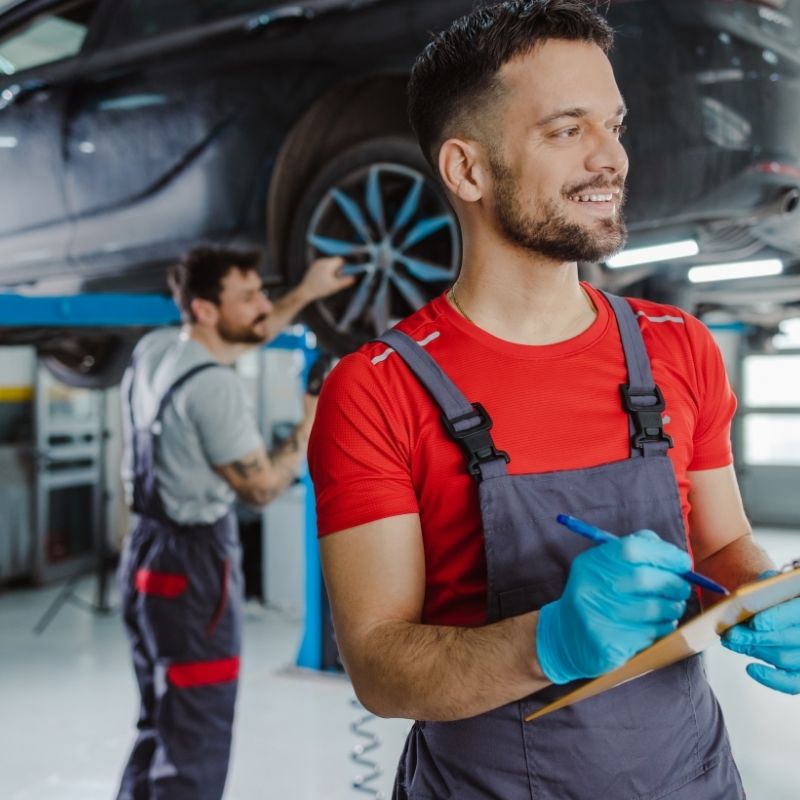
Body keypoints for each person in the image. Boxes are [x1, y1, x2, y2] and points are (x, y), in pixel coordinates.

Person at [307, 2, 800, 798]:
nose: (610, 158)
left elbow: (722, 544)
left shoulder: (678, 346)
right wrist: (549, 642)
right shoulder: (376, 390)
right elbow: (379, 666)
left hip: (692, 779)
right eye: (567, 130)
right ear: (467, 170)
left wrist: (767, 595)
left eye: (615, 125)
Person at [116, 246, 353, 800]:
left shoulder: (157, 351)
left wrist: (308, 292)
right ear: (204, 309)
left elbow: (254, 330)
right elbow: (264, 488)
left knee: (160, 718)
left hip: (145, 557)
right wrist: (310, 419)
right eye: (247, 297)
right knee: (196, 730)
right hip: (194, 570)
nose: (261, 306)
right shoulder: (215, 389)